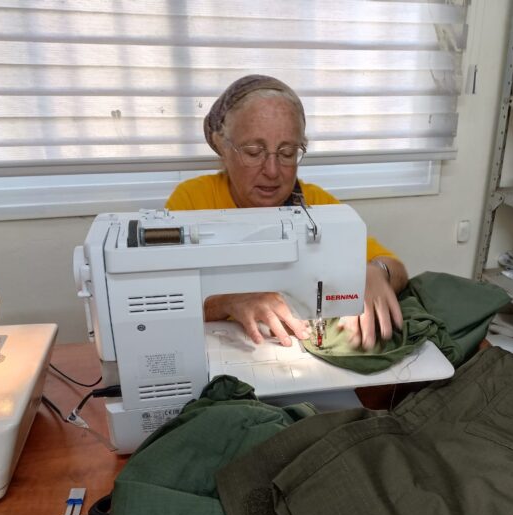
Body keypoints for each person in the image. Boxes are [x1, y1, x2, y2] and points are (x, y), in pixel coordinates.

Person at [166, 75, 408, 350]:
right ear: (222, 146)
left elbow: (396, 267)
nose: (272, 171)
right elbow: (161, 298)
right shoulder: (191, 201)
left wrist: (376, 272)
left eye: (287, 152)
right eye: (254, 151)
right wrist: (227, 301)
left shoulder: (315, 204)